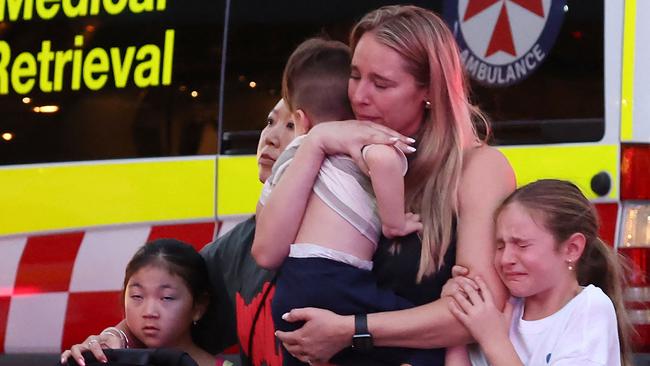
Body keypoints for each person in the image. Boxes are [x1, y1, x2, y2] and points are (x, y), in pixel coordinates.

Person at [254, 5, 515, 365]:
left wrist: (351, 329)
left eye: (381, 83)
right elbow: (266, 252)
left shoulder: (477, 169)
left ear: (429, 90)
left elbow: (475, 317)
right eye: (355, 75)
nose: (359, 96)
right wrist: (316, 142)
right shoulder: (334, 149)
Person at [60, 99, 301, 366]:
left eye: (292, 125)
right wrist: (113, 338)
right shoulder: (240, 245)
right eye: (269, 122)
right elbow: (170, 294)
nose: (270, 137)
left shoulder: (350, 235)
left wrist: (354, 330)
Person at [252, 38, 429, 366]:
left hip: (290, 289)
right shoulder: (358, 140)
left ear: (302, 120)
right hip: (336, 279)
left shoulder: (291, 157)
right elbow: (384, 162)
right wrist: (395, 222)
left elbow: (264, 241)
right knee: (425, 337)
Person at [443, 179, 633, 366]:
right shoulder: (504, 308)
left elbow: (493, 340)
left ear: (572, 249)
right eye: (500, 246)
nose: (505, 259)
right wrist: (459, 314)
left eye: (522, 245)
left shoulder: (589, 308)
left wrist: (494, 341)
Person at [61, 239, 233, 366]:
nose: (149, 311)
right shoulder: (111, 358)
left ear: (199, 306)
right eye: (137, 296)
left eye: (166, 298)